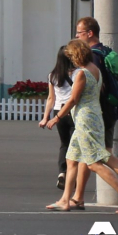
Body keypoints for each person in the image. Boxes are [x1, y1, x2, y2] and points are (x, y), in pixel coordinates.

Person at [47, 38, 118, 212]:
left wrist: (56, 117)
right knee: (72, 159)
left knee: (95, 162)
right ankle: (66, 199)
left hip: (86, 120)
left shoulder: (82, 74)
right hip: (90, 118)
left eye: (71, 56)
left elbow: (73, 100)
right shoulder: (95, 70)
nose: (71, 60)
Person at [74, 16, 118, 150]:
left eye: (79, 33)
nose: (76, 36)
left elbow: (94, 86)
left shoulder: (93, 56)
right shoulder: (106, 51)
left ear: (90, 33)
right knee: (98, 154)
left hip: (98, 112)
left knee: (94, 156)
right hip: (109, 109)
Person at [41, 47, 77, 192]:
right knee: (76, 147)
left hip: (58, 112)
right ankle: (72, 177)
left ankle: (62, 172)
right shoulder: (78, 74)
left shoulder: (52, 75)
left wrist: (45, 118)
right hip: (72, 111)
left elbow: (51, 98)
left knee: (64, 144)